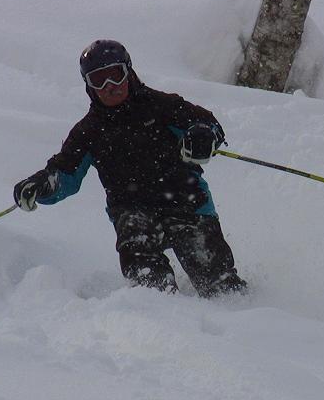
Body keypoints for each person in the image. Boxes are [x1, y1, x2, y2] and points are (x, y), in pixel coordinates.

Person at [13, 39, 246, 297]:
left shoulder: (162, 106)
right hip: (133, 210)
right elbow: (64, 173)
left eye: (115, 75)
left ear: (129, 72)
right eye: (98, 80)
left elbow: (206, 124)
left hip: (188, 202)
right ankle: (162, 312)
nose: (109, 87)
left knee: (219, 285)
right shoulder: (89, 131)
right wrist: (41, 185)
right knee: (147, 274)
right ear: (88, 86)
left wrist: (203, 136)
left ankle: (243, 320)